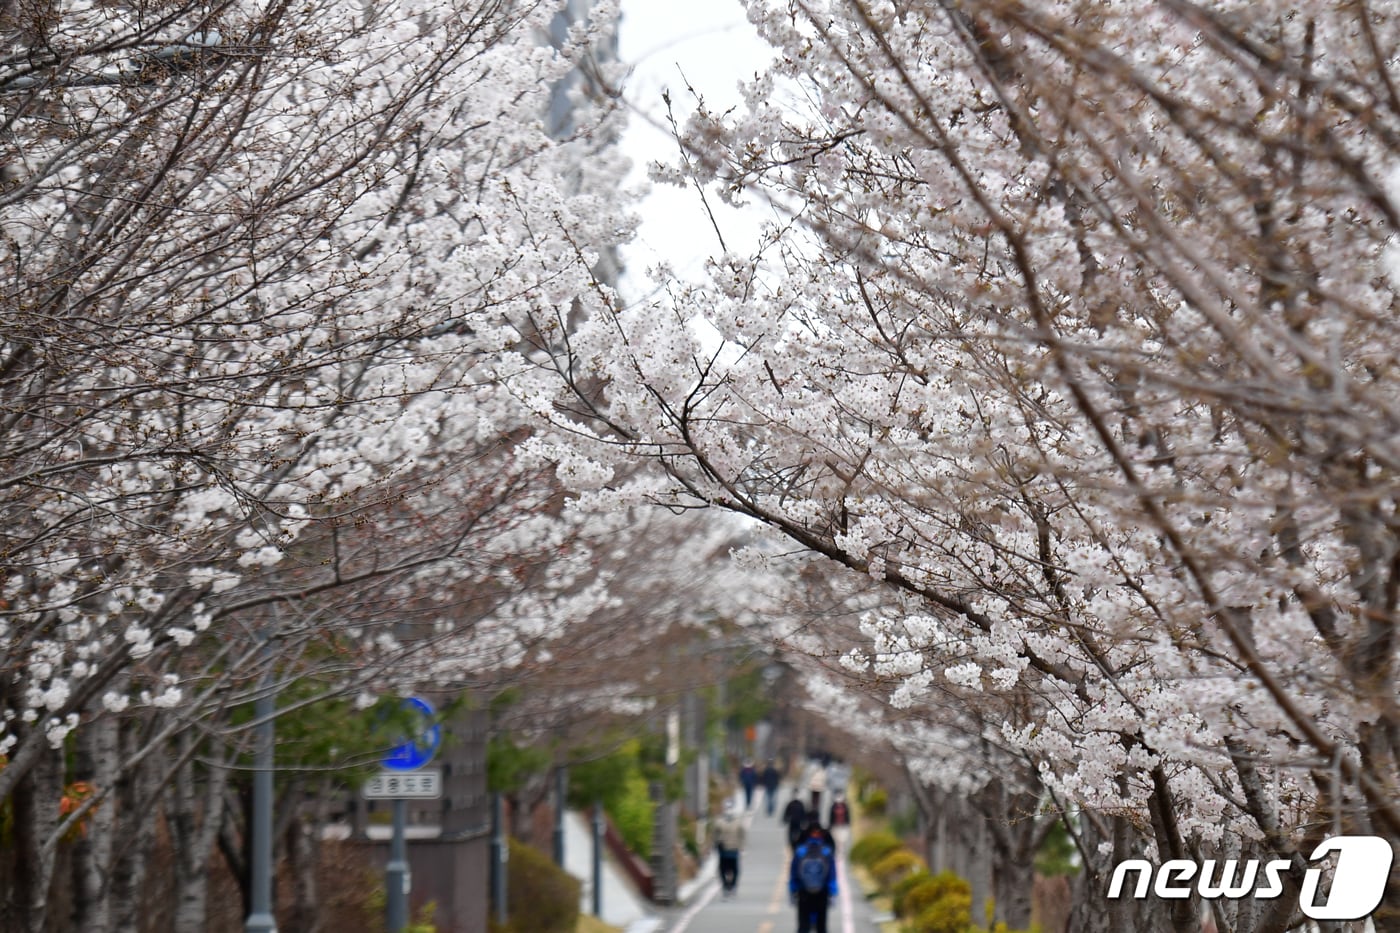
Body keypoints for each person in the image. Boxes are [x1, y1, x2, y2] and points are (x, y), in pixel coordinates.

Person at [789, 820, 838, 933]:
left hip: (803, 892)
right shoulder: (826, 851)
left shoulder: (800, 851)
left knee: (803, 924)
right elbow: (832, 875)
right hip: (822, 892)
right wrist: (833, 892)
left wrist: (792, 891)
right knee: (822, 926)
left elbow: (794, 873)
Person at [713, 799, 746, 896]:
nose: (728, 810)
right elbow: (715, 835)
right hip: (723, 850)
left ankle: (732, 885)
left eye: (730, 808)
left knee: (734, 869)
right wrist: (716, 843)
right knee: (723, 869)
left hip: (734, 849)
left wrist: (741, 846)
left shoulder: (738, 822)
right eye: (727, 808)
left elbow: (742, 835)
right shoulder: (719, 821)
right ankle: (725, 885)